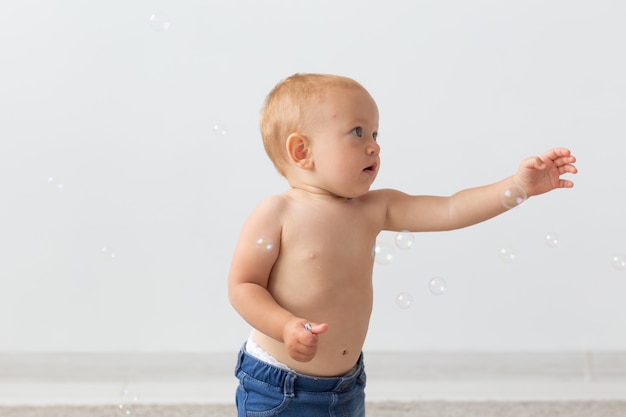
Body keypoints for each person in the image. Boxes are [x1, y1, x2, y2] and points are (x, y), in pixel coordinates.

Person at [227, 73, 577, 417]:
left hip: (346, 385)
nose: (374, 145)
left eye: (375, 134)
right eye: (357, 132)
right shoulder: (277, 212)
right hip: (279, 387)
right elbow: (244, 285)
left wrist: (518, 186)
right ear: (302, 151)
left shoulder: (374, 208)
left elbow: (450, 209)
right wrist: (284, 326)